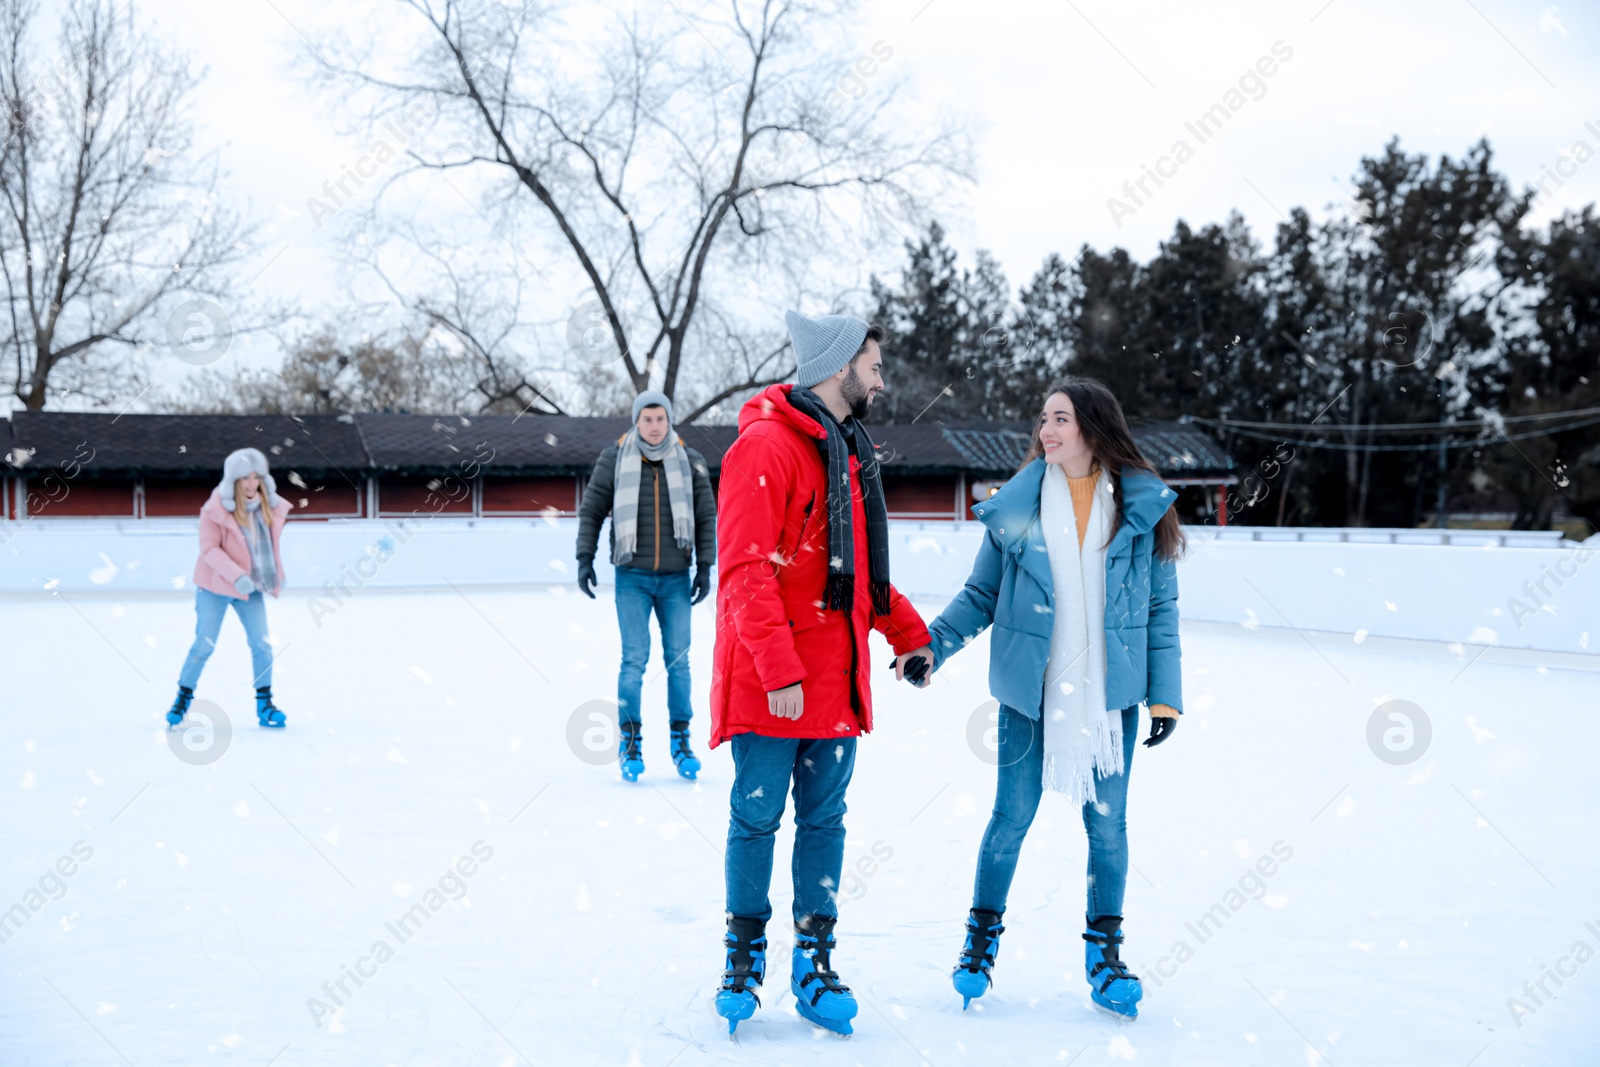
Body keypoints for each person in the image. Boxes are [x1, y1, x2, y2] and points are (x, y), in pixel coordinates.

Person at [899, 378, 1185, 1020]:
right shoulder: (1018, 509)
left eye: (1061, 418)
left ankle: (1105, 956)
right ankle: (979, 944)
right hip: (1032, 695)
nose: (1047, 429)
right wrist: (932, 647)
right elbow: (980, 595)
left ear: (1093, 427)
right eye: (1045, 418)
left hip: (1110, 699)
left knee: (1107, 826)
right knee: (1010, 820)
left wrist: (1164, 696)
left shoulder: (1141, 508)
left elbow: (1161, 609)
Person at [708, 310, 933, 1036]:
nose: (881, 379)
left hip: (834, 684)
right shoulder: (765, 448)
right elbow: (745, 572)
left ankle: (814, 957)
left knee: (825, 821)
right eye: (873, 365)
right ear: (840, 367)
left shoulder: (849, 452)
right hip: (775, 683)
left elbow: (859, 572)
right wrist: (778, 669)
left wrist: (905, 633)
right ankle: (743, 956)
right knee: (757, 816)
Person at [575, 390, 717, 782]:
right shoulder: (614, 460)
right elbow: (593, 510)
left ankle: (680, 739)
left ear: (670, 422)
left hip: (675, 578)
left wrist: (705, 565)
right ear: (636, 421)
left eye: (661, 419)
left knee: (679, 662)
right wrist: (584, 558)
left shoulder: (690, 461)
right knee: (634, 661)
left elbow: (707, 515)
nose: (654, 427)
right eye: (647, 419)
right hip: (631, 578)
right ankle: (631, 741)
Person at [167, 447, 294, 730]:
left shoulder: (267, 509)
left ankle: (265, 704)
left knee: (262, 644)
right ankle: (183, 697)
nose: (251, 484)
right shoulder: (214, 510)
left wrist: (277, 574)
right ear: (233, 482)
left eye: (256, 477)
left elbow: (268, 549)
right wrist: (236, 576)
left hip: (251, 588)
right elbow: (209, 549)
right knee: (204, 645)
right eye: (244, 479)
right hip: (214, 586)